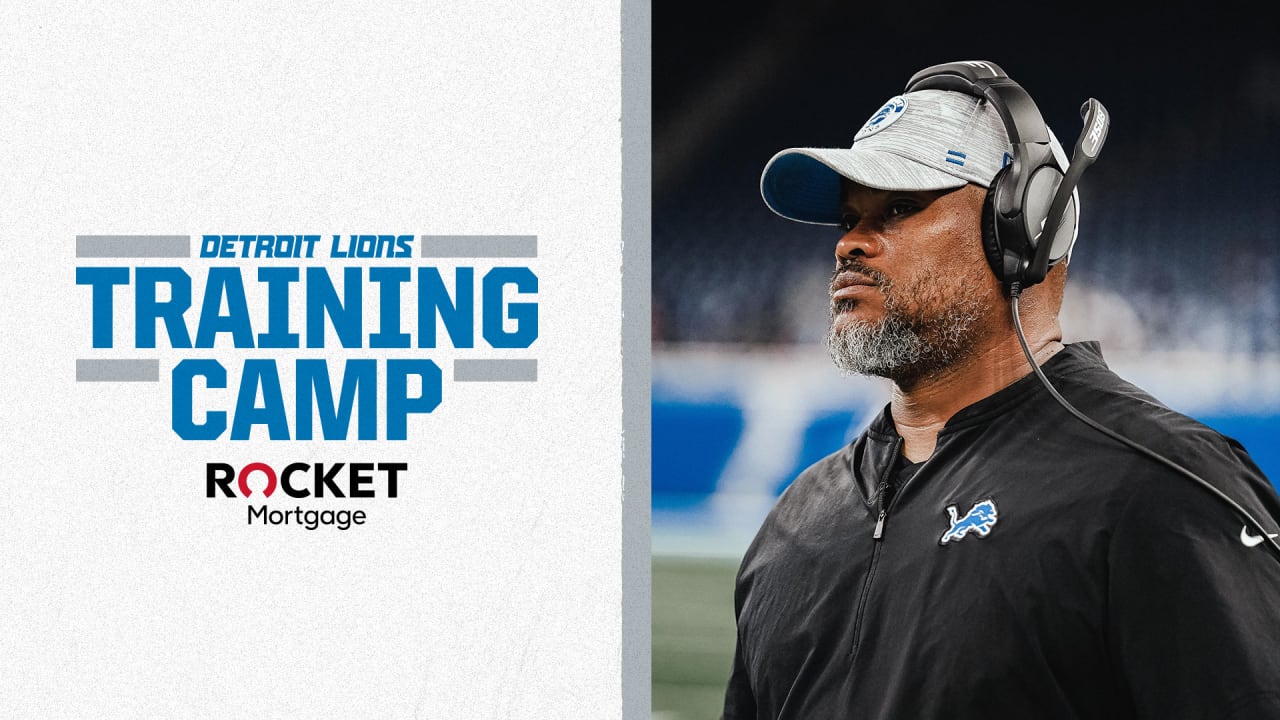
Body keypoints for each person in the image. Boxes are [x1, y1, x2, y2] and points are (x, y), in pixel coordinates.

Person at [721, 60, 1280, 719]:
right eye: (849, 218)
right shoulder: (796, 520)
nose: (851, 245)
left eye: (899, 208)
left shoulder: (1160, 485)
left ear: (1024, 227)